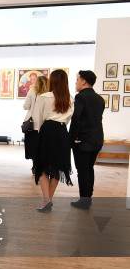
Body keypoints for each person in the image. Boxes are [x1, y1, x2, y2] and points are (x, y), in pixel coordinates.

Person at [32, 69, 74, 212]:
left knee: (42, 166)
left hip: (47, 131)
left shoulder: (44, 97)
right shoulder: (70, 99)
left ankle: (46, 200)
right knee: (56, 167)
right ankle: (48, 200)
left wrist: (40, 135)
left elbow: (37, 120)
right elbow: (68, 119)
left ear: (52, 81)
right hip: (62, 133)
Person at [69, 70, 104, 209]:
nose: (75, 82)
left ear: (84, 81)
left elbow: (76, 119)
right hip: (97, 139)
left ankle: (84, 200)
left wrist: (71, 139)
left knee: (83, 170)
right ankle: (88, 197)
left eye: (77, 79)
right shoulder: (99, 99)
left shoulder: (80, 97)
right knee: (89, 168)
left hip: (83, 141)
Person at [22, 75, 48, 165]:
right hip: (44, 124)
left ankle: (35, 166)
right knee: (43, 147)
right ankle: (42, 166)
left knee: (33, 147)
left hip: (32, 125)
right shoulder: (49, 93)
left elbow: (26, 106)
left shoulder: (32, 90)